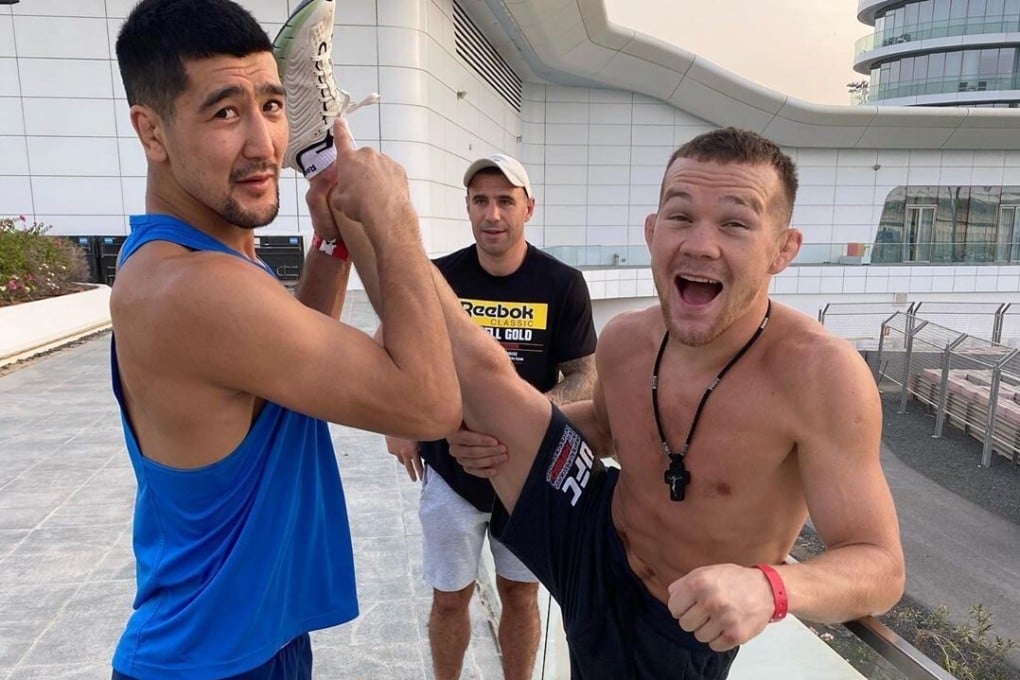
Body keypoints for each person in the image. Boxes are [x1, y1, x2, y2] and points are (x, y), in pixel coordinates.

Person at [330, 127, 905, 679]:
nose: (700, 244)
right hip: (597, 537)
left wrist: (773, 588)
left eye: (735, 223)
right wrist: (503, 435)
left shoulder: (820, 373)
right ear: (653, 231)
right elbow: (604, 428)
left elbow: (879, 565)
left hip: (683, 619)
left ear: (783, 250)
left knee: (488, 386)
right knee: (481, 371)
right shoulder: (630, 338)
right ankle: (348, 185)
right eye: (680, 216)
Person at [109, 0, 459, 677]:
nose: (264, 144)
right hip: (209, 661)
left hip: (239, 644)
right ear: (152, 133)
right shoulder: (195, 289)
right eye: (224, 112)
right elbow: (429, 405)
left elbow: (288, 384)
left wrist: (330, 241)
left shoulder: (198, 259)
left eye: (272, 106)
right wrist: (393, 219)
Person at [385, 154, 597, 680]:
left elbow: (583, 376)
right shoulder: (439, 278)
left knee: (520, 596)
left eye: (505, 200)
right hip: (451, 470)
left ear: (528, 207)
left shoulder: (562, 284)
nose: (493, 214)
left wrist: (517, 428)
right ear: (468, 208)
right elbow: (395, 350)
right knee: (450, 599)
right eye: (481, 201)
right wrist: (403, 424)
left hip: (525, 477)